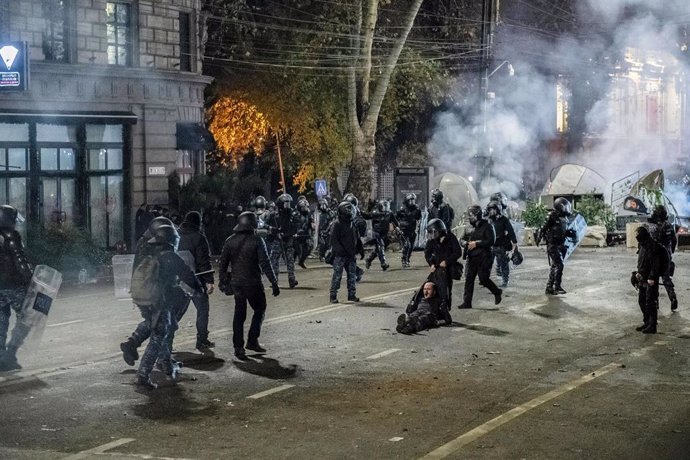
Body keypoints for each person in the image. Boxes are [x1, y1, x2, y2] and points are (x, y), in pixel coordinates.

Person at [135, 225, 202, 389]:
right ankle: (143, 374)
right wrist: (199, 288)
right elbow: (187, 274)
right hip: (160, 302)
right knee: (158, 336)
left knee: (161, 330)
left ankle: (164, 362)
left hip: (145, 301)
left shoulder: (150, 256)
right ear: (171, 240)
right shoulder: (170, 257)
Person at [219, 211, 280, 360]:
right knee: (260, 309)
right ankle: (252, 340)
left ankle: (238, 347)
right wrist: (274, 282)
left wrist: (223, 281)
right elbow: (265, 263)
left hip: (237, 283)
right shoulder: (257, 240)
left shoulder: (230, 241)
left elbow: (222, 264)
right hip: (253, 283)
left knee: (239, 315)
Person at [0, 205, 34, 371]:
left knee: (0, 321)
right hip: (14, 286)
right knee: (27, 317)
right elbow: (20, 261)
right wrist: (31, 280)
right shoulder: (11, 236)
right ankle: (11, 353)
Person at [178, 211, 215, 350]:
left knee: (176, 312)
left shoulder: (176, 235)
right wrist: (209, 280)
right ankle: (202, 340)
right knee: (203, 309)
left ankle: (165, 340)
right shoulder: (199, 238)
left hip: (178, 280)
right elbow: (203, 262)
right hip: (196, 280)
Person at [458, 205, 502, 309]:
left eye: (472, 215)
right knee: (469, 279)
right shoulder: (468, 227)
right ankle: (467, 302)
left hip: (484, 256)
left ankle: (497, 291)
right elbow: (461, 239)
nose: (470, 217)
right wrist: (465, 244)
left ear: (478, 215)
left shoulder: (487, 226)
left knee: (483, 279)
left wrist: (477, 243)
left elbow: (491, 241)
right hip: (471, 256)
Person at [424, 218, 462, 321]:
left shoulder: (450, 237)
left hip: (448, 269)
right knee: (434, 288)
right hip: (436, 268)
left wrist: (447, 261)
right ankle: (437, 310)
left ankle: (445, 309)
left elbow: (458, 252)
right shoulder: (432, 240)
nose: (432, 235)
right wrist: (431, 264)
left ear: (439, 230)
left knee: (445, 290)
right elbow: (427, 253)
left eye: (434, 232)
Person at [633, 226, 668, 334]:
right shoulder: (642, 245)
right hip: (642, 278)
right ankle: (647, 322)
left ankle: (652, 325)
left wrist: (652, 277)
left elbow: (655, 264)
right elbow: (642, 261)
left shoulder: (652, 246)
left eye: (637, 234)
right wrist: (638, 273)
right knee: (642, 301)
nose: (636, 236)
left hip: (650, 280)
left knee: (650, 302)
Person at [538, 197, 575, 295]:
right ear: (561, 206)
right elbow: (544, 228)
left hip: (560, 245)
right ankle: (557, 286)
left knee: (555, 265)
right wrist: (539, 237)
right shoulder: (552, 215)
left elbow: (561, 232)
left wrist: (570, 233)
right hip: (552, 245)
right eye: (565, 207)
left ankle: (549, 288)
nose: (567, 209)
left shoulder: (562, 218)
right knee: (559, 264)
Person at [329, 201, 362, 304]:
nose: (350, 211)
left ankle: (351, 295)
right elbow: (334, 240)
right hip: (340, 256)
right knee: (337, 276)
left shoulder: (352, 223)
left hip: (351, 255)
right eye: (348, 209)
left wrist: (360, 249)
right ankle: (333, 295)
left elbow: (357, 237)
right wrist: (340, 251)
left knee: (352, 276)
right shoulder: (337, 223)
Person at [264, 193, 299, 288]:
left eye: (288, 203)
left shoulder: (292, 214)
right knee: (274, 260)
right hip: (277, 241)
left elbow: (296, 226)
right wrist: (274, 231)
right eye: (285, 203)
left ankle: (291, 279)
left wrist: (288, 234)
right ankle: (274, 280)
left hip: (288, 240)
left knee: (290, 260)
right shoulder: (273, 215)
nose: (287, 205)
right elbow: (266, 225)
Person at [647, 205, 678, 311]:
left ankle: (656, 304)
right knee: (666, 279)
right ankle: (673, 298)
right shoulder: (669, 225)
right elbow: (674, 240)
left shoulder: (652, 227)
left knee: (653, 280)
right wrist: (671, 252)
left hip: (656, 258)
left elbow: (650, 244)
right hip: (667, 257)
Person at [486, 200, 518, 288]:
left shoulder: (504, 219)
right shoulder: (487, 220)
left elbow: (511, 231)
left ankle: (505, 280)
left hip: (501, 246)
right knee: (487, 264)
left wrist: (514, 242)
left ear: (498, 209)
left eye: (494, 209)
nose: (491, 211)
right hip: (490, 246)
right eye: (490, 209)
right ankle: (485, 280)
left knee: (504, 264)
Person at [365, 200, 399, 271]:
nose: (386, 208)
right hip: (377, 232)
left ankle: (369, 259)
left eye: (387, 206)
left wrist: (397, 227)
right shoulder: (375, 213)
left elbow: (395, 221)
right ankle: (383, 264)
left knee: (380, 248)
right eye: (384, 206)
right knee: (381, 246)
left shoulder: (389, 213)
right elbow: (367, 216)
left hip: (384, 233)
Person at [396, 193, 422, 268]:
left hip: (412, 230)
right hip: (403, 230)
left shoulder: (417, 210)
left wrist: (418, 227)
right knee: (406, 245)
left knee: (411, 247)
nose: (412, 201)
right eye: (410, 200)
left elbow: (419, 219)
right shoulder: (402, 209)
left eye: (413, 199)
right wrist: (397, 227)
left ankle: (407, 259)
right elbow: (396, 218)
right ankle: (404, 260)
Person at [295, 198, 315, 269]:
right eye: (303, 207)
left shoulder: (309, 214)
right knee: (296, 250)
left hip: (306, 234)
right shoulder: (296, 214)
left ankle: (301, 261)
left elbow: (312, 223)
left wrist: (313, 226)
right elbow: (294, 225)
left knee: (309, 248)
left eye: (306, 206)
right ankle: (291, 265)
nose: (305, 208)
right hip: (297, 235)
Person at [316, 197, 336, 261]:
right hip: (321, 231)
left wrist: (329, 230)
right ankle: (321, 256)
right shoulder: (318, 214)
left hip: (328, 230)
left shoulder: (329, 212)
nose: (323, 206)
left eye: (324, 204)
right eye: (321, 205)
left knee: (329, 244)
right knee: (322, 244)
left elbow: (333, 220)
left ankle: (329, 256)